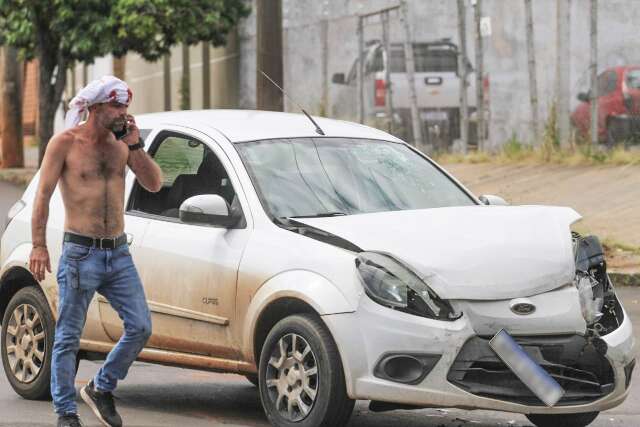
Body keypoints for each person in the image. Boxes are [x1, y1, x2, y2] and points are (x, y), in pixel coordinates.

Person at [29, 76, 163, 427]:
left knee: (140, 326)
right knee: (69, 337)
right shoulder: (64, 144)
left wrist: (135, 146)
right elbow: (42, 196)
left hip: (118, 253)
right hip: (80, 253)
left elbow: (154, 183)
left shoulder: (123, 145)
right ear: (96, 107)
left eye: (126, 108)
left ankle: (102, 387)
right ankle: (66, 413)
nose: (123, 114)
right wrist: (39, 245)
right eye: (117, 106)